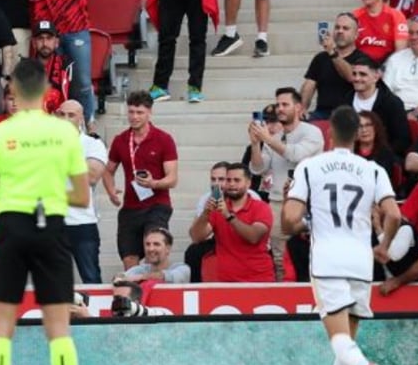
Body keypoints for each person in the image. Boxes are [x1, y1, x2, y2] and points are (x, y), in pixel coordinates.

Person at [0, 58, 91, 365]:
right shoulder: (64, 135)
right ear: (46, 91)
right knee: (58, 329)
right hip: (51, 225)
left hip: (10, 225)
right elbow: (82, 195)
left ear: (13, 93)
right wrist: (48, 193)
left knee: (0, 329)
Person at [283, 106, 400, 365]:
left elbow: (290, 219)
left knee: (337, 338)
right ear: (356, 136)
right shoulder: (373, 169)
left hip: (328, 260)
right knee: (347, 339)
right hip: (360, 261)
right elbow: (395, 214)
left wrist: (302, 223)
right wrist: (384, 246)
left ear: (330, 133)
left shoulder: (310, 167)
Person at [102, 91, 180, 270]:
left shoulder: (164, 139)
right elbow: (108, 170)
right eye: (131, 112)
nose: (134, 117)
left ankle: (158, 291)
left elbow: (173, 179)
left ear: (149, 113)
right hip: (130, 207)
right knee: (129, 261)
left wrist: (154, 183)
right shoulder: (120, 140)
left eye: (139, 112)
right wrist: (111, 191)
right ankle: (135, 296)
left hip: (157, 205)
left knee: (154, 251)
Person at [188, 162, 275, 282]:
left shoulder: (261, 207)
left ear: (248, 183)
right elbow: (196, 237)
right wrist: (206, 213)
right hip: (226, 281)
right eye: (228, 180)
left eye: (237, 180)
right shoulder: (217, 209)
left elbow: (253, 236)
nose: (232, 184)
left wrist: (228, 216)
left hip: (258, 279)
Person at [248, 87, 326, 206]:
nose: (280, 109)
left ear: (298, 107)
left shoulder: (312, 132)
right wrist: (255, 144)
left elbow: (295, 154)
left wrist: (268, 139)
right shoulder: (274, 138)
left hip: (305, 201)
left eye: (285, 105)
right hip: (276, 201)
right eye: (278, 105)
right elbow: (258, 169)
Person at [57, 99, 107, 284]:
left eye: (71, 115)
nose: (65, 119)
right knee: (54, 282)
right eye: (62, 114)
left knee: (91, 278)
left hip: (82, 221)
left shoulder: (92, 144)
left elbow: (92, 175)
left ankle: (93, 313)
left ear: (81, 119)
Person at [302, 12, 366, 119]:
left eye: (345, 28)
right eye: (337, 27)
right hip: (322, 113)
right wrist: (302, 109)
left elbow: (351, 76)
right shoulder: (320, 58)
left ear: (356, 35)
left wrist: (332, 53)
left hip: (350, 114)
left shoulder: (362, 59)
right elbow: (309, 85)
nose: (340, 31)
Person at [349, 59, 412, 156]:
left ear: (376, 76)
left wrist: (379, 155)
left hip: (383, 159)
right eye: (354, 74)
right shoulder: (345, 101)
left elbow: (402, 140)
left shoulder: (392, 103)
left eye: (363, 74)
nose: (357, 78)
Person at [352, 0, 408, 66]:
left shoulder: (396, 15)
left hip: (387, 67)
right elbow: (348, 47)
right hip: (359, 68)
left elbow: (400, 51)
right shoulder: (354, 16)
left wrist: (384, 69)